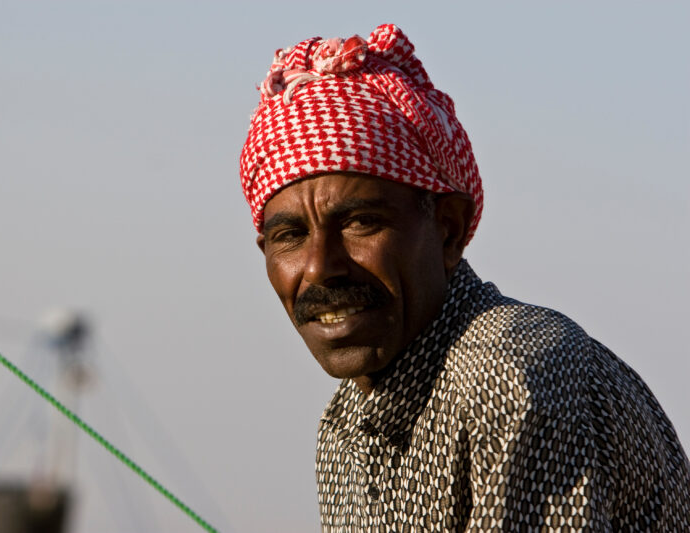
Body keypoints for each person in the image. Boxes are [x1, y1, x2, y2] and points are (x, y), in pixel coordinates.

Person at [239, 24, 690, 531]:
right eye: (290, 236)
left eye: (361, 222)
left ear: (448, 230)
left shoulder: (505, 374)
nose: (320, 266)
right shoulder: (346, 424)